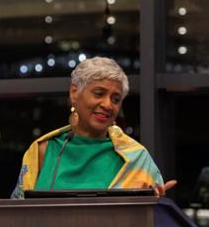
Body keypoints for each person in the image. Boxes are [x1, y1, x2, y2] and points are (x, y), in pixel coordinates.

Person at [11, 57, 176, 199]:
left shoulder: (136, 158)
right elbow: (16, 214)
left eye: (116, 99)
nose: (107, 105)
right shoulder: (42, 151)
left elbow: (152, 223)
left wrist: (154, 204)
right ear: (74, 92)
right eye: (99, 93)